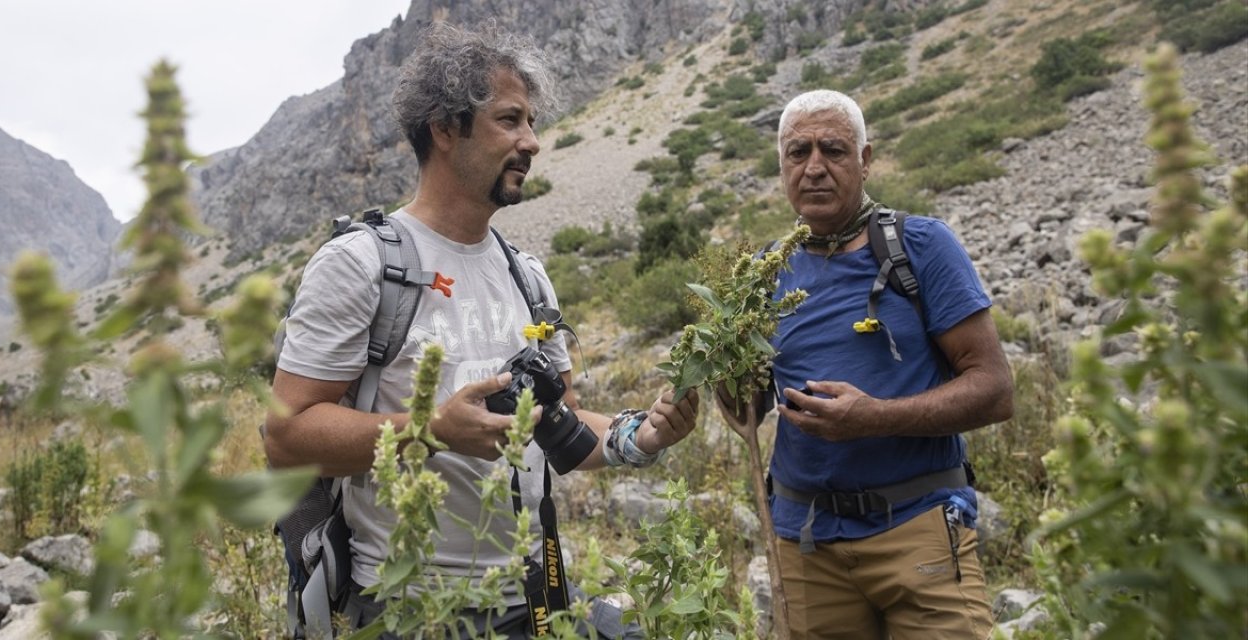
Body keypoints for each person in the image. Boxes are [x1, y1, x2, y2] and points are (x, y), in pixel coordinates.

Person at [263, 22, 698, 639]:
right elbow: (286, 436)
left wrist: (641, 436)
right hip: (408, 610)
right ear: (445, 128)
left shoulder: (528, 278)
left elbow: (565, 424)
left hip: (534, 598)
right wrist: (432, 429)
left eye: (532, 123)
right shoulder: (360, 266)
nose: (532, 142)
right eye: (510, 120)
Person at [717, 89, 1013, 639]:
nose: (814, 167)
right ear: (781, 166)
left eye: (833, 150)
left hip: (918, 527)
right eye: (798, 152)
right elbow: (747, 412)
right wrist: (715, 365)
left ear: (865, 159)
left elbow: (994, 389)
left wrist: (874, 417)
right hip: (806, 543)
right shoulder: (763, 275)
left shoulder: (920, 246)